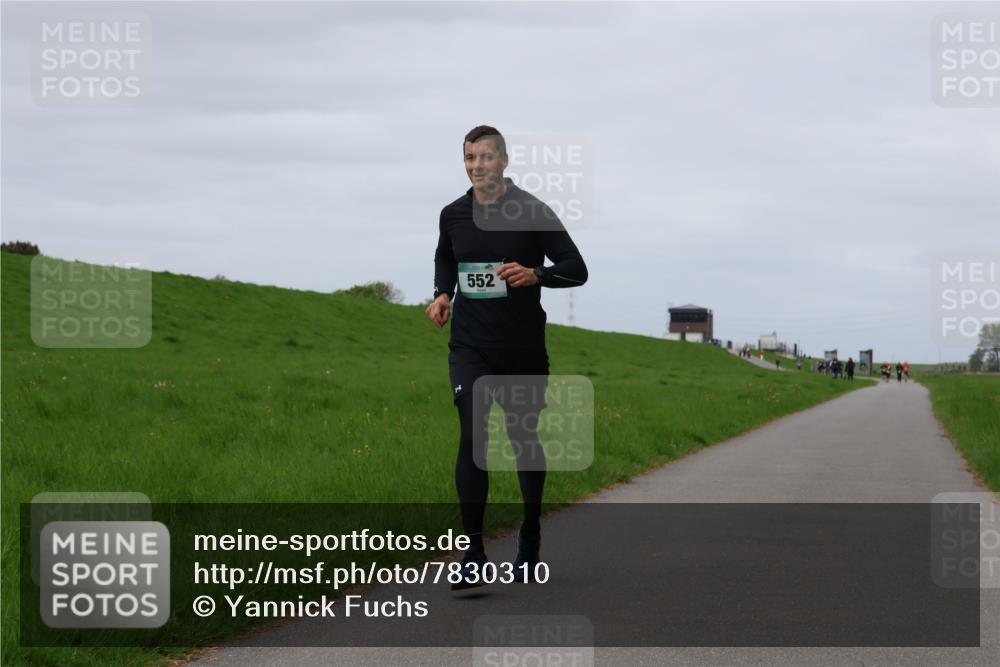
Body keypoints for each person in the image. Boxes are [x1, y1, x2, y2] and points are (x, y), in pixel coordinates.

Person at [427, 125, 588, 590]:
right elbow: (445, 257)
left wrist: (535, 273)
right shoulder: (452, 214)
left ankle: (531, 531)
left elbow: (577, 270)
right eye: (469, 158)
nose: (478, 166)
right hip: (470, 347)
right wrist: (442, 294)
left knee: (523, 439)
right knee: (473, 434)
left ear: (505, 160)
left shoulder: (533, 211)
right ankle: (473, 551)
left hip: (521, 349)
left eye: (486, 157)